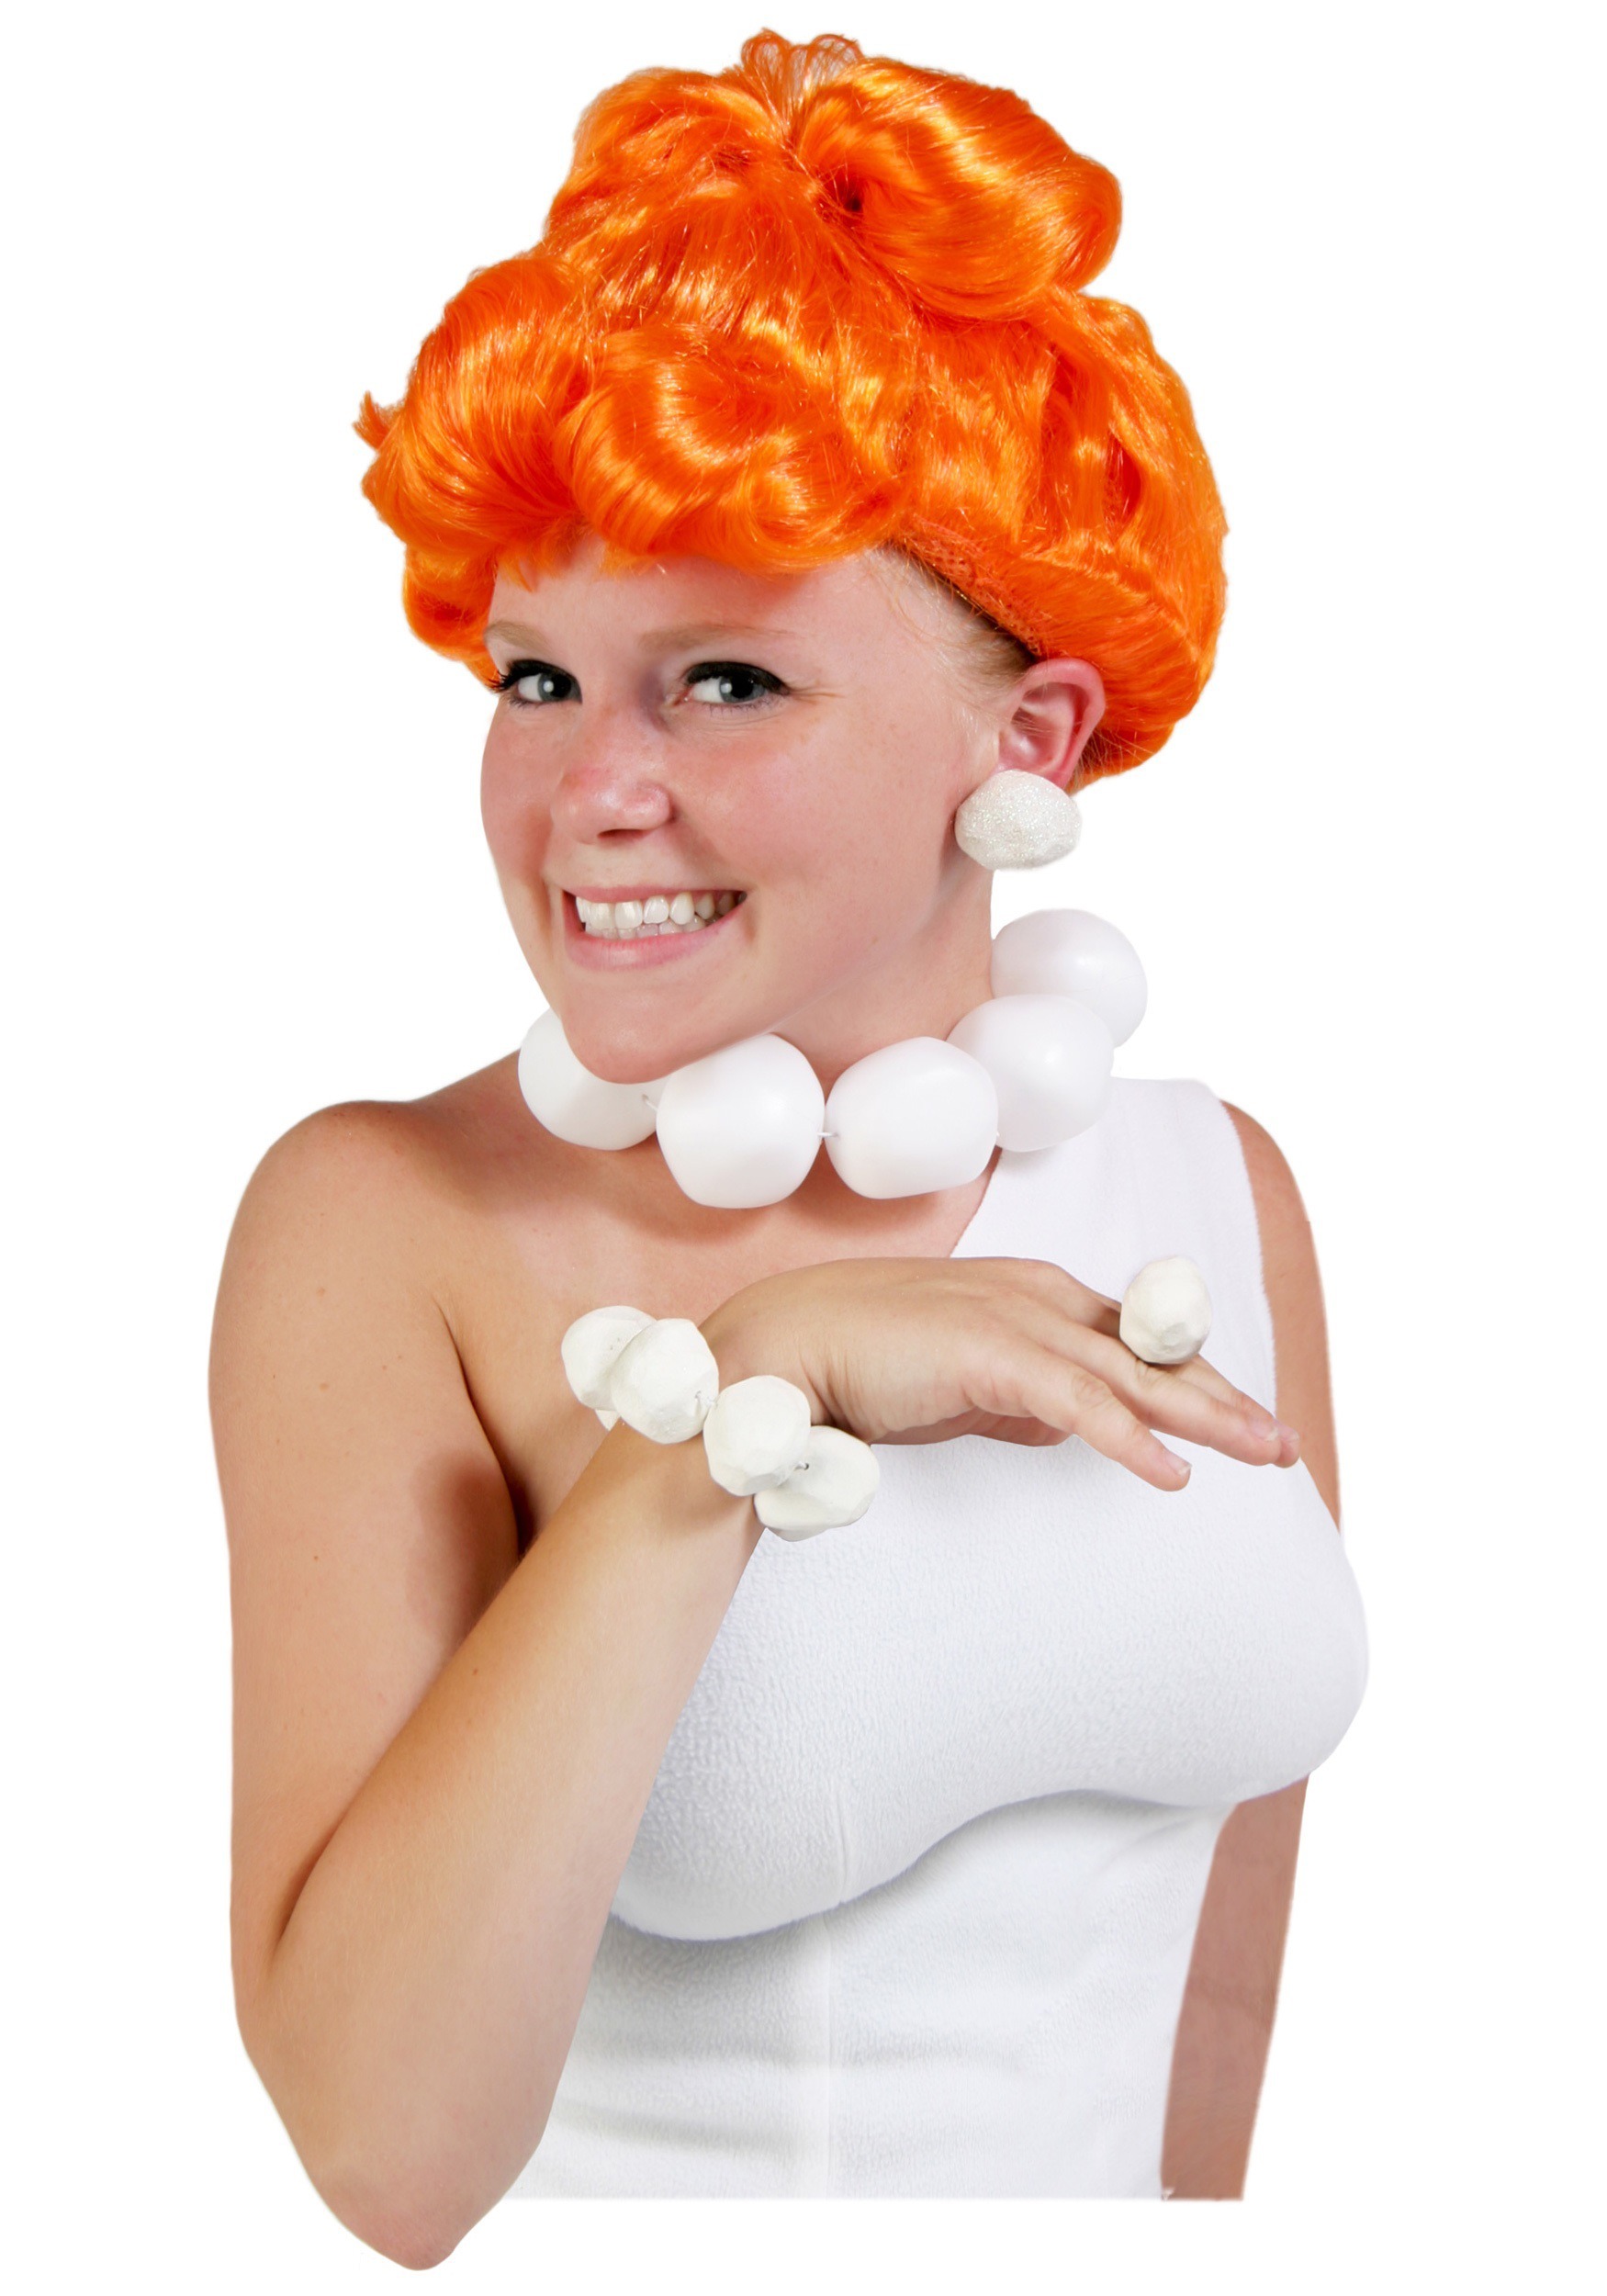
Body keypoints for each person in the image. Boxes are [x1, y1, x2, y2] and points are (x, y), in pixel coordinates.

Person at [210, 28, 1365, 2263]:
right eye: (535, 676)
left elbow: (1218, 1960)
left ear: (1027, 738)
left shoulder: (1215, 1185)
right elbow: (382, 2158)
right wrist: (749, 1394)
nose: (588, 791)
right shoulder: (389, 1226)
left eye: (722, 678)